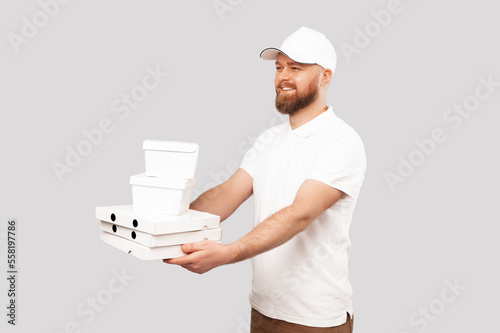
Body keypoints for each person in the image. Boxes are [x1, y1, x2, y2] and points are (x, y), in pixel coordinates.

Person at [165, 26, 366, 332]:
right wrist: (168, 224)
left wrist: (227, 253)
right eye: (279, 67)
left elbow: (300, 215)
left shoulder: (341, 142)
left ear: (325, 77)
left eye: (296, 68)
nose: (283, 76)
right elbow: (229, 192)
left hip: (314, 320)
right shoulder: (269, 139)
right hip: (262, 310)